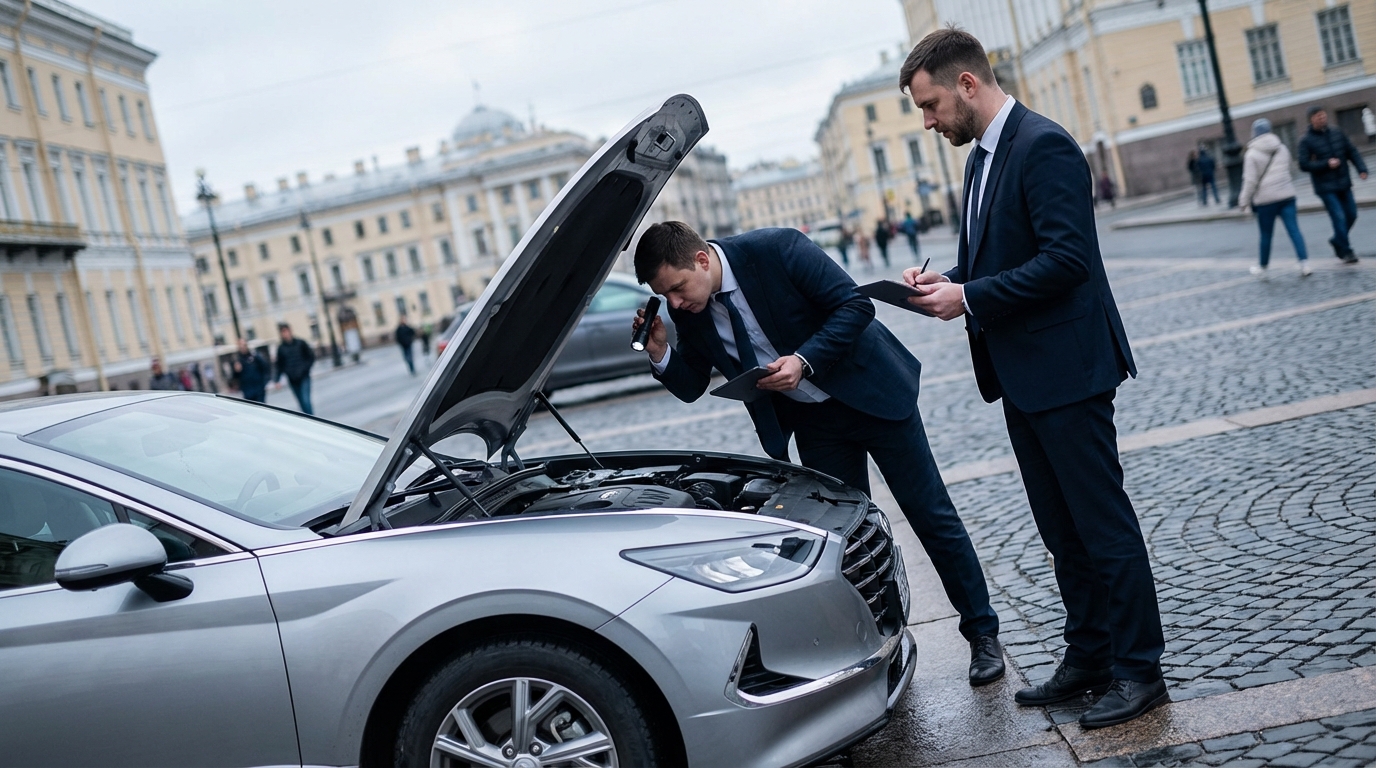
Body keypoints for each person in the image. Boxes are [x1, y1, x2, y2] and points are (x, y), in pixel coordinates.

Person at [899, 28, 1166, 728]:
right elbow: (994, 257)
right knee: (1062, 532)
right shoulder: (981, 158)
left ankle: (1141, 672)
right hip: (1022, 375)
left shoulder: (1043, 144)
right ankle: (1090, 657)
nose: (928, 123)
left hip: (1070, 371)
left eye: (929, 106)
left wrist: (972, 299)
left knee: (1103, 529)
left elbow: (1067, 261)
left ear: (966, 84)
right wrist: (946, 281)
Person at [631, 221, 1004, 687]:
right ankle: (876, 650)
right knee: (844, 545)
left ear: (702, 260)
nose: (676, 302)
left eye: (678, 288)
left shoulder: (777, 248)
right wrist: (661, 353)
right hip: (813, 423)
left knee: (930, 513)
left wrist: (803, 361)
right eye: (666, 295)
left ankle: (982, 634)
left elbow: (855, 305)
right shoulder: (688, 308)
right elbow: (689, 386)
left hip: (875, 394)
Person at [1239, 118, 1310, 277]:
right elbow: (1291, 170)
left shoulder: (1251, 153)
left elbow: (1250, 181)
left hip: (1266, 201)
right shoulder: (1282, 148)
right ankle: (1304, 263)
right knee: (1294, 230)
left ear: (1255, 133)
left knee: (1266, 234)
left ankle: (1263, 266)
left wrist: (1243, 201)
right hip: (1287, 196)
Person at [1297, 105, 1368, 264]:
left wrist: (1361, 169)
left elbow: (1351, 151)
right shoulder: (1306, 141)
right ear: (1311, 120)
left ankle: (1337, 240)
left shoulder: (1337, 132)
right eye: (1318, 117)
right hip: (1325, 187)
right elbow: (1303, 164)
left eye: (1323, 116)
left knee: (1352, 214)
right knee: (1339, 217)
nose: (1322, 119)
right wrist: (1325, 164)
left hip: (1343, 182)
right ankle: (1347, 251)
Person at [274, 323, 316, 415]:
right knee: (301, 402)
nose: (285, 334)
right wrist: (277, 380)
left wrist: (306, 368)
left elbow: (310, 357)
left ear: (290, 331)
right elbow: (279, 365)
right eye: (283, 332)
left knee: (306, 400)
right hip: (292, 379)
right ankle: (308, 419)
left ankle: (312, 420)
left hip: (304, 376)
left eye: (286, 331)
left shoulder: (300, 343)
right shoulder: (281, 348)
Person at [233, 338, 271, 402]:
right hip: (247, 390)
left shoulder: (255, 356)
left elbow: (265, 367)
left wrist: (265, 382)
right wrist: (236, 371)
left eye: (244, 345)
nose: (242, 348)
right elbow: (234, 377)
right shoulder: (237, 360)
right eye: (240, 346)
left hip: (259, 388)